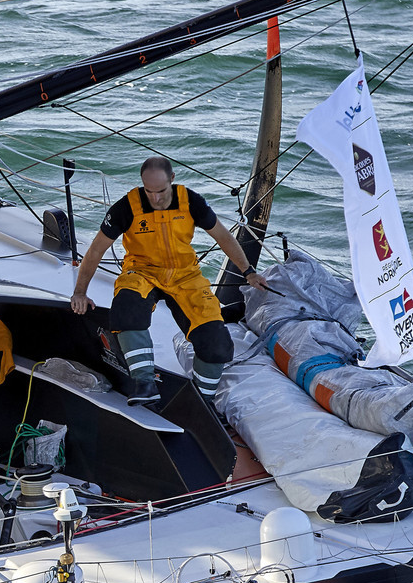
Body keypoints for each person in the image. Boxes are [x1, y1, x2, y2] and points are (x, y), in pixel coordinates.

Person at [70, 157, 269, 406]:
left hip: (185, 275)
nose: (155, 199)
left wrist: (248, 271)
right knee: (125, 309)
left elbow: (223, 236)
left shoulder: (191, 202)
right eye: (149, 191)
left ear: (172, 179)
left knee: (217, 344)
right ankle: (144, 383)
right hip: (142, 271)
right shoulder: (127, 207)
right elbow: (97, 249)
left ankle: (202, 401)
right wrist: (80, 292)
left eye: (161, 191)